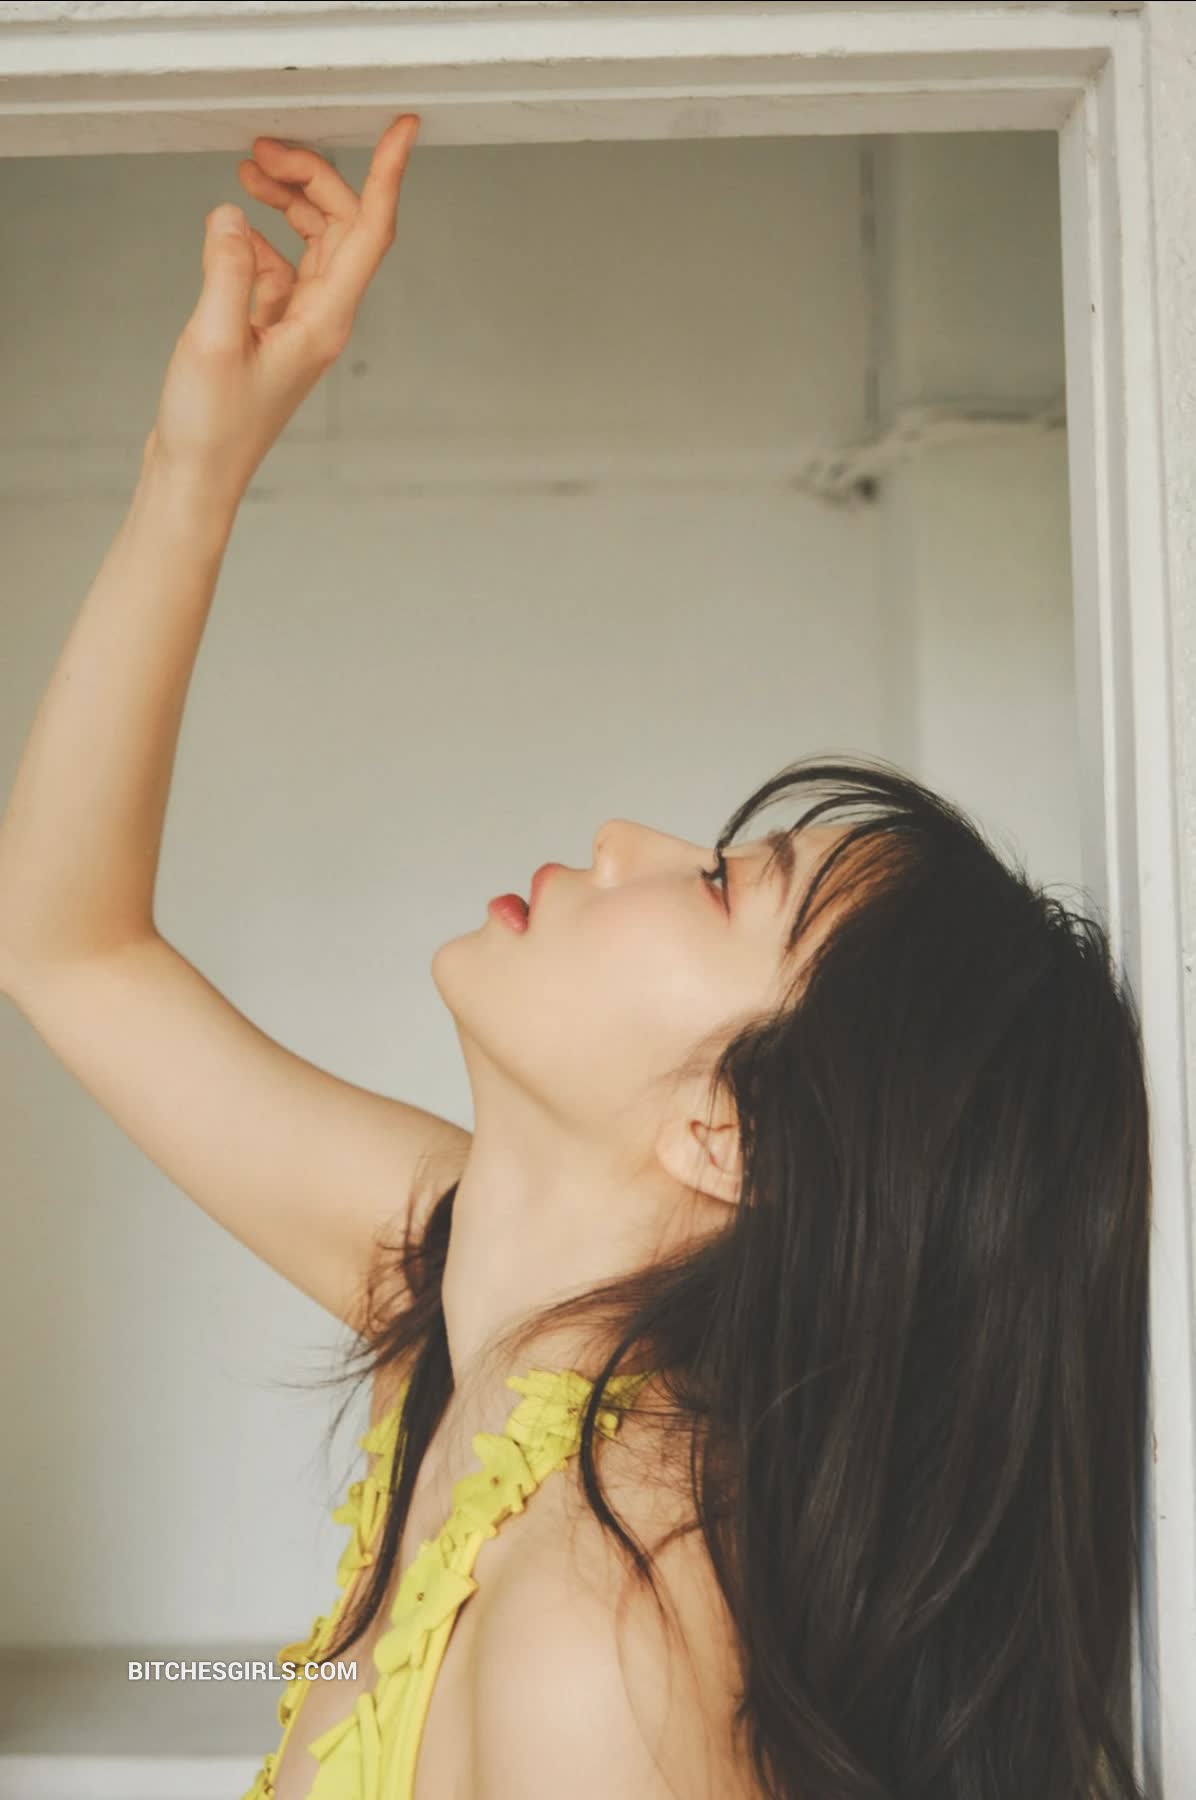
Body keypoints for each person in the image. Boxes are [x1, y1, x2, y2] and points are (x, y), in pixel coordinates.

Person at [0, 115, 1149, 1800]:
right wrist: (200, 460)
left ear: (728, 1132)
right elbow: (68, 947)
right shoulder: (480, 1302)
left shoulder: (604, 1636)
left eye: (722, 884)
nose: (623, 838)